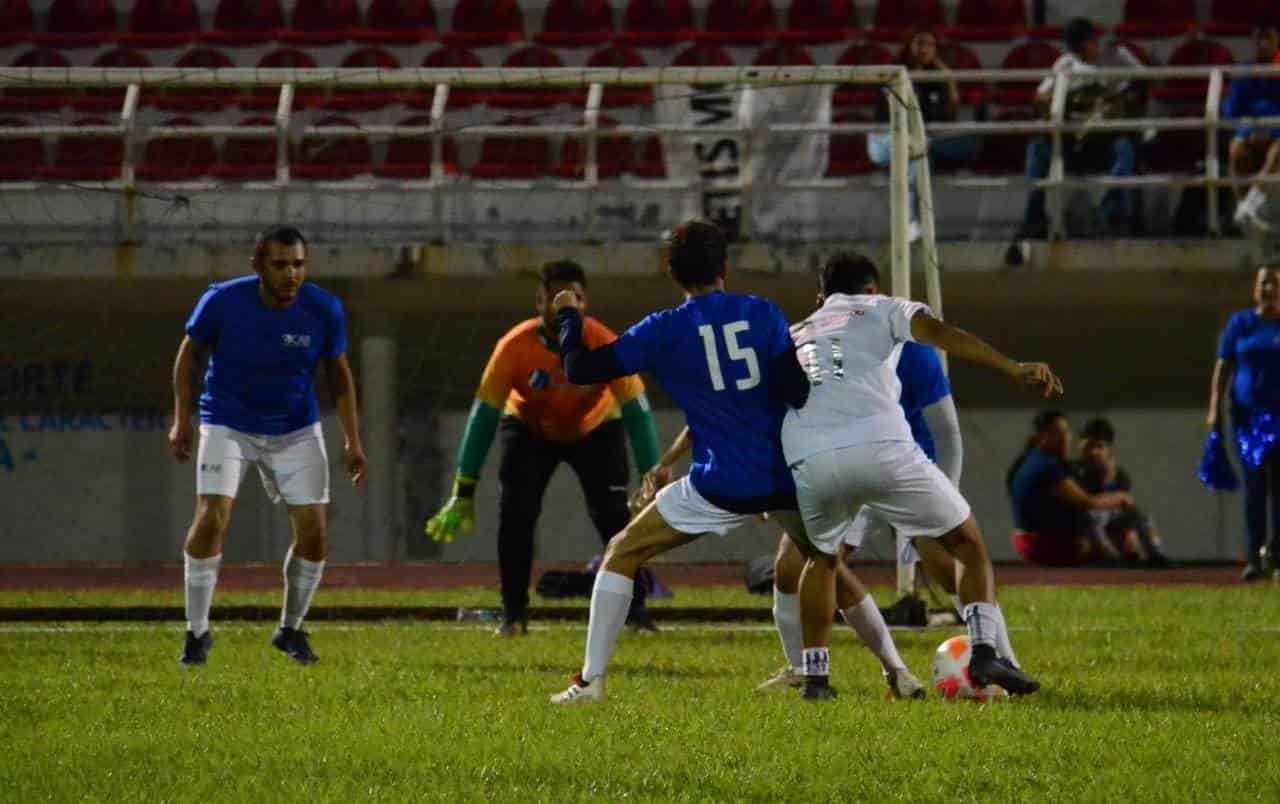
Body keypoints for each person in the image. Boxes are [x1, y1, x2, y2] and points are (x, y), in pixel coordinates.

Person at [547, 219, 812, 705]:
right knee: (827, 564)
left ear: (673, 274)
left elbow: (580, 369)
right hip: (786, 476)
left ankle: (591, 683)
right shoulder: (765, 313)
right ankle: (883, 672)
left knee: (623, 552)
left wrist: (569, 318)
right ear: (725, 267)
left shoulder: (664, 329)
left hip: (720, 482)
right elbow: (797, 392)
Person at [782, 253, 1060, 700]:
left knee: (822, 562)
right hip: (883, 448)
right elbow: (942, 334)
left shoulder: (794, 332)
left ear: (821, 297)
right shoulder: (885, 307)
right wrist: (1011, 366)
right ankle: (985, 652)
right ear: (872, 290)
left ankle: (815, 679)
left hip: (813, 457)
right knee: (968, 546)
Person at [756, 255, 973, 693]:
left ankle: (994, 653)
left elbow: (947, 432)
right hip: (843, 459)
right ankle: (863, 671)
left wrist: (941, 504)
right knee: (798, 566)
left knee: (952, 566)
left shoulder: (910, 344)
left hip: (904, 463)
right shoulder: (812, 345)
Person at [424, 259, 662, 635]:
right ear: (540, 303)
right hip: (529, 429)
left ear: (586, 303)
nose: (568, 305)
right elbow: (483, 418)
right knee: (516, 515)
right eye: (557, 299)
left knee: (613, 517)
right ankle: (514, 614)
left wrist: (655, 475)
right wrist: (462, 490)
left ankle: (635, 612)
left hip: (597, 428)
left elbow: (638, 414)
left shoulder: (605, 344)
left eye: (576, 298)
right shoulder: (513, 348)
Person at [168, 226, 367, 667]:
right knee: (211, 517)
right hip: (227, 423)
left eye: (298, 264)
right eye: (280, 265)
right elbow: (189, 357)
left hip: (295, 428)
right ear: (257, 266)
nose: (291, 274)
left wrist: (352, 441)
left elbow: (339, 377)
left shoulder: (323, 309)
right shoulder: (221, 301)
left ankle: (290, 629)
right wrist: (182, 420)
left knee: (314, 530)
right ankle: (196, 633)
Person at [1006, 17, 1139, 264]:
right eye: (1084, 45)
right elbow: (1040, 97)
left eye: (1090, 44)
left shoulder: (1113, 61)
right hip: (1070, 139)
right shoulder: (1066, 63)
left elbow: (1142, 84)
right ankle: (1034, 219)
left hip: (1101, 139)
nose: (1090, 49)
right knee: (1038, 148)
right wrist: (1069, 102)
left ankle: (1115, 218)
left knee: (1124, 148)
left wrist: (1110, 100)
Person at [867, 29, 978, 243]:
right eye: (920, 43)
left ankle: (914, 222)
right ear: (909, 45)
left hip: (922, 141)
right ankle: (911, 221)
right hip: (885, 140)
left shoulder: (936, 78)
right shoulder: (893, 74)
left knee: (925, 148)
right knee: (914, 148)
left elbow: (949, 115)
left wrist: (947, 76)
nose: (925, 49)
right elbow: (890, 116)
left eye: (930, 45)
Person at [1208, 263, 1280, 581]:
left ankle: (1275, 555)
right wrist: (1214, 409)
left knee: (1279, 487)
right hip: (1249, 419)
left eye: (1275, 283)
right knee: (1255, 486)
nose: (1269, 289)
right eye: (1264, 283)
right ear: (1255, 288)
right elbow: (1223, 367)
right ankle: (1253, 556)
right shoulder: (1241, 324)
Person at [1006, 411, 1134, 566]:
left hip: (1027, 540)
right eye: (1056, 432)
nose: (1065, 438)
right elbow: (1087, 502)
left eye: (1066, 431)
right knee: (1122, 536)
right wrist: (1121, 498)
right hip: (1040, 544)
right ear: (1041, 436)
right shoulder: (1048, 466)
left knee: (1112, 527)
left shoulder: (1032, 458)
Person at [1073, 418, 1167, 565]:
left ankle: (1157, 555)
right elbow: (1086, 503)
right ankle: (1111, 559)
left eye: (1099, 447)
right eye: (1089, 446)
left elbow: (1125, 503)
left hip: (1112, 519)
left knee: (1142, 517)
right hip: (1087, 522)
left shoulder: (1118, 474)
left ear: (1108, 450)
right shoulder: (1074, 471)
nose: (1093, 452)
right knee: (1092, 519)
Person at [1225, 24, 1280, 232]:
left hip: (1278, 132)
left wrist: (1271, 131)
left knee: (1279, 150)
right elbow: (1232, 109)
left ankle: (1249, 205)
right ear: (1252, 42)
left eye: (1269, 38)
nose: (1264, 44)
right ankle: (1244, 209)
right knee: (1236, 149)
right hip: (1252, 132)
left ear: (1277, 42)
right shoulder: (1245, 73)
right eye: (1259, 39)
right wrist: (1248, 130)